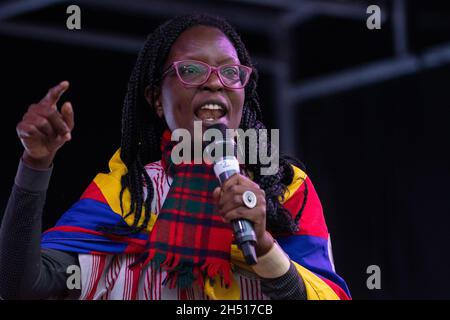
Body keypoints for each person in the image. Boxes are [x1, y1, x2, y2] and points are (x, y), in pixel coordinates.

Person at [0, 14, 350, 300]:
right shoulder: (128, 192)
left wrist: (263, 244)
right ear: (155, 97)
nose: (215, 83)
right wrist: (35, 164)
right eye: (192, 71)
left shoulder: (285, 188)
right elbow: (18, 286)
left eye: (231, 72)